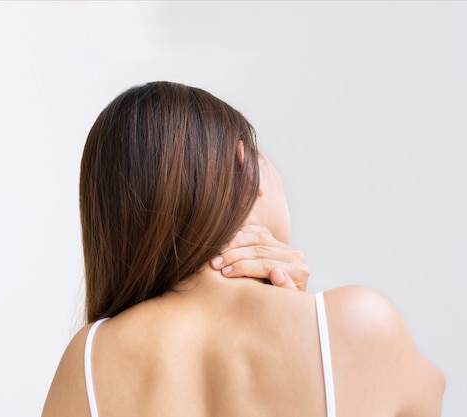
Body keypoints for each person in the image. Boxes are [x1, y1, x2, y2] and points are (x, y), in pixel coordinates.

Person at [41, 81, 445, 417]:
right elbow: (431, 396)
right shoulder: (355, 323)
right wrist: (299, 316)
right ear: (245, 166)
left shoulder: (88, 361)